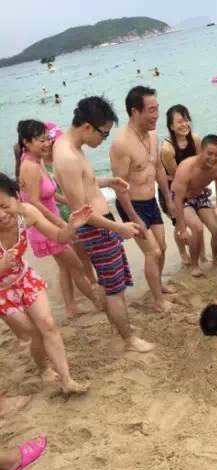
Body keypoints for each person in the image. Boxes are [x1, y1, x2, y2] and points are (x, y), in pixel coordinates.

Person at [53, 96, 152, 352]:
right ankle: (129, 340)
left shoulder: (69, 145)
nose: (104, 139)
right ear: (88, 126)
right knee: (114, 290)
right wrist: (120, 228)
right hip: (98, 229)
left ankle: (120, 329)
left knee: (110, 285)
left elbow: (84, 184)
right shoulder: (68, 157)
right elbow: (81, 212)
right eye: (104, 134)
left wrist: (109, 182)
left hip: (100, 226)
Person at [0, 172, 93, 392]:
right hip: (1, 291)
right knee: (33, 333)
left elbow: (60, 238)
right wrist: (2, 266)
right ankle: (43, 368)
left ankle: (67, 381)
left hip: (24, 278)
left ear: (16, 197)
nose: (1, 215)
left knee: (48, 325)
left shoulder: (27, 214)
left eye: (4, 206)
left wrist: (71, 226)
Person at [18, 120, 100, 318]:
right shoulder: (30, 166)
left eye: (47, 139)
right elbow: (34, 203)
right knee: (76, 265)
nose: (47, 144)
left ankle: (71, 308)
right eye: (41, 140)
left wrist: (73, 204)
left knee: (65, 267)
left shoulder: (37, 160)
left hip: (53, 223)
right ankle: (99, 304)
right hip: (47, 228)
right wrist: (61, 224)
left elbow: (51, 194)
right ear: (26, 142)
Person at [110, 86, 176, 313]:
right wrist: (133, 216)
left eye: (157, 109)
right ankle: (158, 300)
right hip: (132, 204)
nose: (156, 115)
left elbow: (158, 168)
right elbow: (119, 187)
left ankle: (158, 285)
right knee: (153, 251)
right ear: (135, 111)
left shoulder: (152, 134)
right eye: (151, 110)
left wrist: (167, 198)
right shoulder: (121, 144)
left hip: (151, 201)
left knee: (162, 247)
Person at [44, 122, 98, 300]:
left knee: (85, 252)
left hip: (76, 211)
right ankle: (91, 284)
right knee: (78, 255)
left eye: (55, 141)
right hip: (63, 215)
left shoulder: (64, 157)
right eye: (50, 141)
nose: (53, 145)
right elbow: (51, 195)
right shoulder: (43, 166)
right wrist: (71, 201)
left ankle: (91, 283)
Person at [173, 134, 217, 277]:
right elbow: (177, 199)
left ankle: (216, 260)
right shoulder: (186, 167)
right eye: (209, 153)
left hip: (201, 197)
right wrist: (182, 228)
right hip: (184, 201)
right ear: (201, 151)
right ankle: (194, 265)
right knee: (197, 228)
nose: (213, 158)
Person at [159, 104, 208, 266]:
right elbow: (177, 177)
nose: (185, 124)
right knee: (180, 223)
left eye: (187, 120)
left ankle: (202, 254)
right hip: (173, 188)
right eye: (179, 121)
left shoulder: (195, 139)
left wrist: (202, 184)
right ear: (171, 126)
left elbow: (200, 165)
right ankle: (182, 251)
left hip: (192, 183)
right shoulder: (167, 149)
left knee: (197, 221)